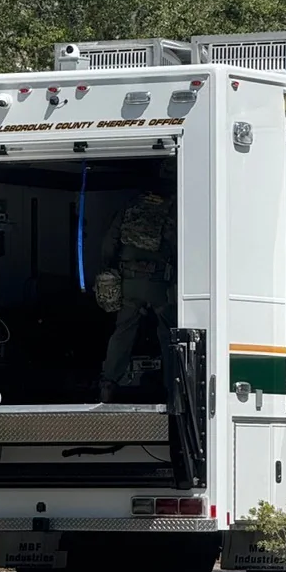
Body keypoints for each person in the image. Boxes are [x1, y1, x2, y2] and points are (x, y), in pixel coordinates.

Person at [97, 167, 176, 404]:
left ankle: (108, 383)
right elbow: (177, 245)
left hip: (130, 280)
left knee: (123, 332)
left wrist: (109, 267)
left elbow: (109, 242)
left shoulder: (131, 205)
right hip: (158, 283)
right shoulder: (172, 207)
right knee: (169, 334)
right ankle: (174, 388)